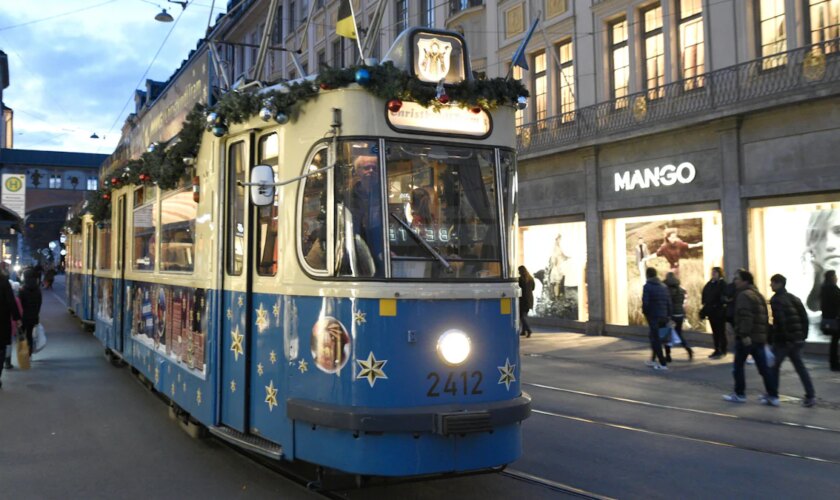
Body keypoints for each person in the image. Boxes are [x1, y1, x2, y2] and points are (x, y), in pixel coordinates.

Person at [723, 269, 773, 403]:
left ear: (745, 281)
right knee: (763, 368)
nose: (735, 281)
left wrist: (743, 334)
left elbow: (745, 316)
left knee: (738, 366)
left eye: (737, 279)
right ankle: (772, 395)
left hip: (747, 338)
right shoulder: (758, 294)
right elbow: (764, 317)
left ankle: (740, 394)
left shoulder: (744, 295)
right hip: (759, 337)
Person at [767, 274, 815, 407]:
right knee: (800, 368)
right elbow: (804, 318)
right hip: (797, 339)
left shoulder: (776, 300)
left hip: (784, 341)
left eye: (773, 283)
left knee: (773, 366)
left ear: (779, 284)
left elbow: (780, 321)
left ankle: (772, 395)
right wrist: (802, 336)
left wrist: (786, 338)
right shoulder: (794, 298)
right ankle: (810, 395)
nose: (770, 285)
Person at [642, 267, 671, 371]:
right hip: (663, 316)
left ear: (648, 275)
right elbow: (668, 302)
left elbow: (645, 303)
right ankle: (654, 360)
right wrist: (669, 315)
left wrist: (646, 314)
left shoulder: (647, 286)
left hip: (653, 316)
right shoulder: (663, 286)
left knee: (655, 339)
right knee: (658, 338)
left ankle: (662, 363)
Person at [0, 263, 22, 388]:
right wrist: (17, 318)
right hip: (2, 321)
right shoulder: (4, 282)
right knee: (1, 348)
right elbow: (11, 302)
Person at [663, 272, 693, 361]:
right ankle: (688, 349)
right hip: (680, 314)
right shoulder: (681, 290)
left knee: (667, 335)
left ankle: (668, 356)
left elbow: (667, 303)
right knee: (679, 334)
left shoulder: (667, 290)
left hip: (671, 315)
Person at [701, 267, 728, 359]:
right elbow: (705, 294)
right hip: (711, 312)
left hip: (719, 311)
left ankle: (723, 350)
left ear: (719, 273)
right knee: (715, 332)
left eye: (715, 272)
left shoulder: (722, 284)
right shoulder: (710, 284)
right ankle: (717, 349)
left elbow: (724, 296)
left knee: (721, 331)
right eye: (712, 272)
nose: (713, 274)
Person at [18, 269, 42, 358]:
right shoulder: (38, 290)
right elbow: (39, 304)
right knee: (29, 335)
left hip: (23, 317)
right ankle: (29, 353)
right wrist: (36, 314)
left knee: (21, 335)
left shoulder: (22, 289)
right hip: (33, 316)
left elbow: (19, 304)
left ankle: (22, 354)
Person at [819, 270, 840, 371]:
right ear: (832, 277)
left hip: (829, 319)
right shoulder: (833, 289)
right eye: (835, 276)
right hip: (836, 319)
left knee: (834, 342)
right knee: (835, 342)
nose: (837, 278)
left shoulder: (824, 289)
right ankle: (834, 364)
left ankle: (834, 363)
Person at [547, 234, 569, 300]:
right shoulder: (555, 248)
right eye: (558, 239)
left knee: (558, 282)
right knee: (556, 282)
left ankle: (557, 295)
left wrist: (566, 258)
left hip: (559, 266)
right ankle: (556, 296)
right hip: (557, 266)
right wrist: (555, 262)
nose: (559, 240)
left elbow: (563, 255)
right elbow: (554, 257)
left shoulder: (559, 247)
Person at [518, 265, 535, 338]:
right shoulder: (531, 278)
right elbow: (533, 288)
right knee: (524, 315)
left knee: (522, 316)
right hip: (530, 299)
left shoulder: (520, 279)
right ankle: (523, 331)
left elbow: (518, 289)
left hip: (523, 300)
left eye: (519, 271)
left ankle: (528, 330)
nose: (518, 272)